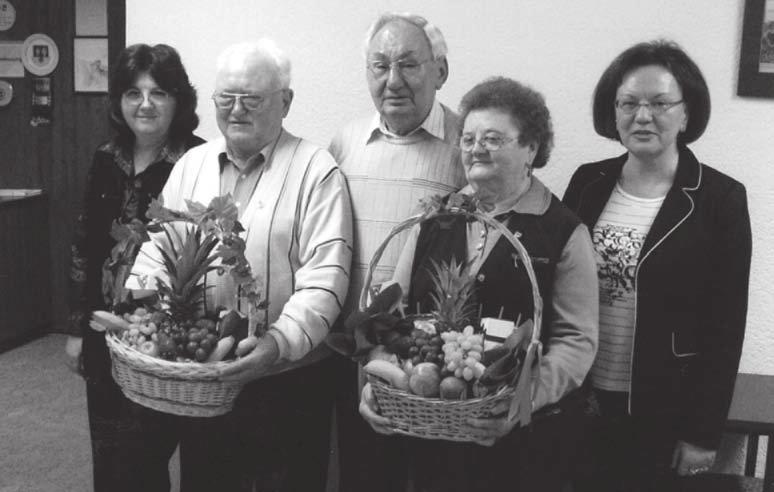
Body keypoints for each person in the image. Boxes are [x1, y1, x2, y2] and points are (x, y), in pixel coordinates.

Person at [127, 39, 353, 492]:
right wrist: (141, 308)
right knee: (208, 480)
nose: (236, 110)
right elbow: (158, 248)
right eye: (225, 99)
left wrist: (277, 342)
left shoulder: (317, 170)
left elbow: (326, 278)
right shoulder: (191, 164)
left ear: (285, 101)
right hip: (207, 373)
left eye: (251, 99)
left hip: (289, 378)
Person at [359, 76, 599, 492]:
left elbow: (576, 341)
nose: (475, 148)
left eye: (492, 138)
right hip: (432, 433)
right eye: (467, 138)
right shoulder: (434, 217)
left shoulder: (562, 231)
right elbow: (391, 315)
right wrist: (375, 385)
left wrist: (523, 402)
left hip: (524, 442)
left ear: (532, 149)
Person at [562, 40, 752, 492]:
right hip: (579, 398)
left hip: (663, 407)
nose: (642, 116)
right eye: (628, 103)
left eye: (660, 103)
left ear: (686, 114)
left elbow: (726, 326)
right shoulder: (588, 182)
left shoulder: (719, 199)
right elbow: (558, 287)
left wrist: (703, 433)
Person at [328, 13, 466, 491]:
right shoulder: (345, 142)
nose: (393, 81)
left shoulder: (466, 145)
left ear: (440, 72)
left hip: (430, 361)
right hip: (352, 350)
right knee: (365, 475)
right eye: (379, 65)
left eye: (409, 64)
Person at [63, 43, 203, 492]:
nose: (144, 104)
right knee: (108, 454)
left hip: (161, 339)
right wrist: (78, 328)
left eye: (159, 92)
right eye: (133, 92)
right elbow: (85, 244)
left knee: (144, 456)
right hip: (105, 330)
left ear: (178, 100)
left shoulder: (197, 161)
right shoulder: (107, 156)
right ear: (118, 100)